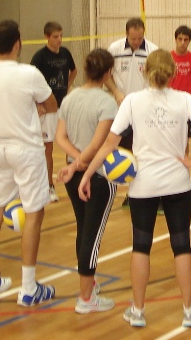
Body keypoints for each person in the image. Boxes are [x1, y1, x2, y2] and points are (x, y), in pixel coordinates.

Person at [79, 49, 191, 329]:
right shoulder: (185, 100)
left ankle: (138, 311)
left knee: (141, 247)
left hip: (143, 185)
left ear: (144, 72)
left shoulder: (132, 101)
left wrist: (87, 174)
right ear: (173, 73)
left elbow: (109, 145)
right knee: (182, 245)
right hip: (178, 183)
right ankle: (189, 310)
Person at [0, 20, 58, 306]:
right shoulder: (28, 73)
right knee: (34, 214)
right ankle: (29, 287)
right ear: (18, 44)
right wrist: (34, 107)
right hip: (26, 149)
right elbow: (52, 105)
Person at [55, 49, 118, 315]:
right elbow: (99, 144)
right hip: (98, 176)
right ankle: (86, 298)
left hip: (74, 175)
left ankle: (89, 286)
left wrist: (76, 163)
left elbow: (60, 137)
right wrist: (83, 165)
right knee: (92, 235)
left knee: (84, 229)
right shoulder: (107, 102)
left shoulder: (70, 98)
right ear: (107, 73)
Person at [106, 17, 158, 208]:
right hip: (121, 110)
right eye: (133, 38)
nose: (136, 42)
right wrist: (116, 92)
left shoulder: (153, 50)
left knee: (143, 151)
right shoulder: (114, 49)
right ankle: (125, 191)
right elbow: (106, 75)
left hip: (144, 110)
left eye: (140, 38)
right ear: (126, 34)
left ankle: (142, 193)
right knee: (123, 151)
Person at [31, 21, 77, 204]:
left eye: (61, 36)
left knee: (71, 143)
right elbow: (31, 81)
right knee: (48, 147)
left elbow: (73, 70)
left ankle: (74, 178)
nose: (59, 40)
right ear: (47, 37)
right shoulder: (39, 57)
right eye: (56, 37)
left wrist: (67, 86)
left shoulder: (65, 53)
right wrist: (38, 101)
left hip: (63, 106)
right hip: (48, 109)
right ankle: (48, 185)